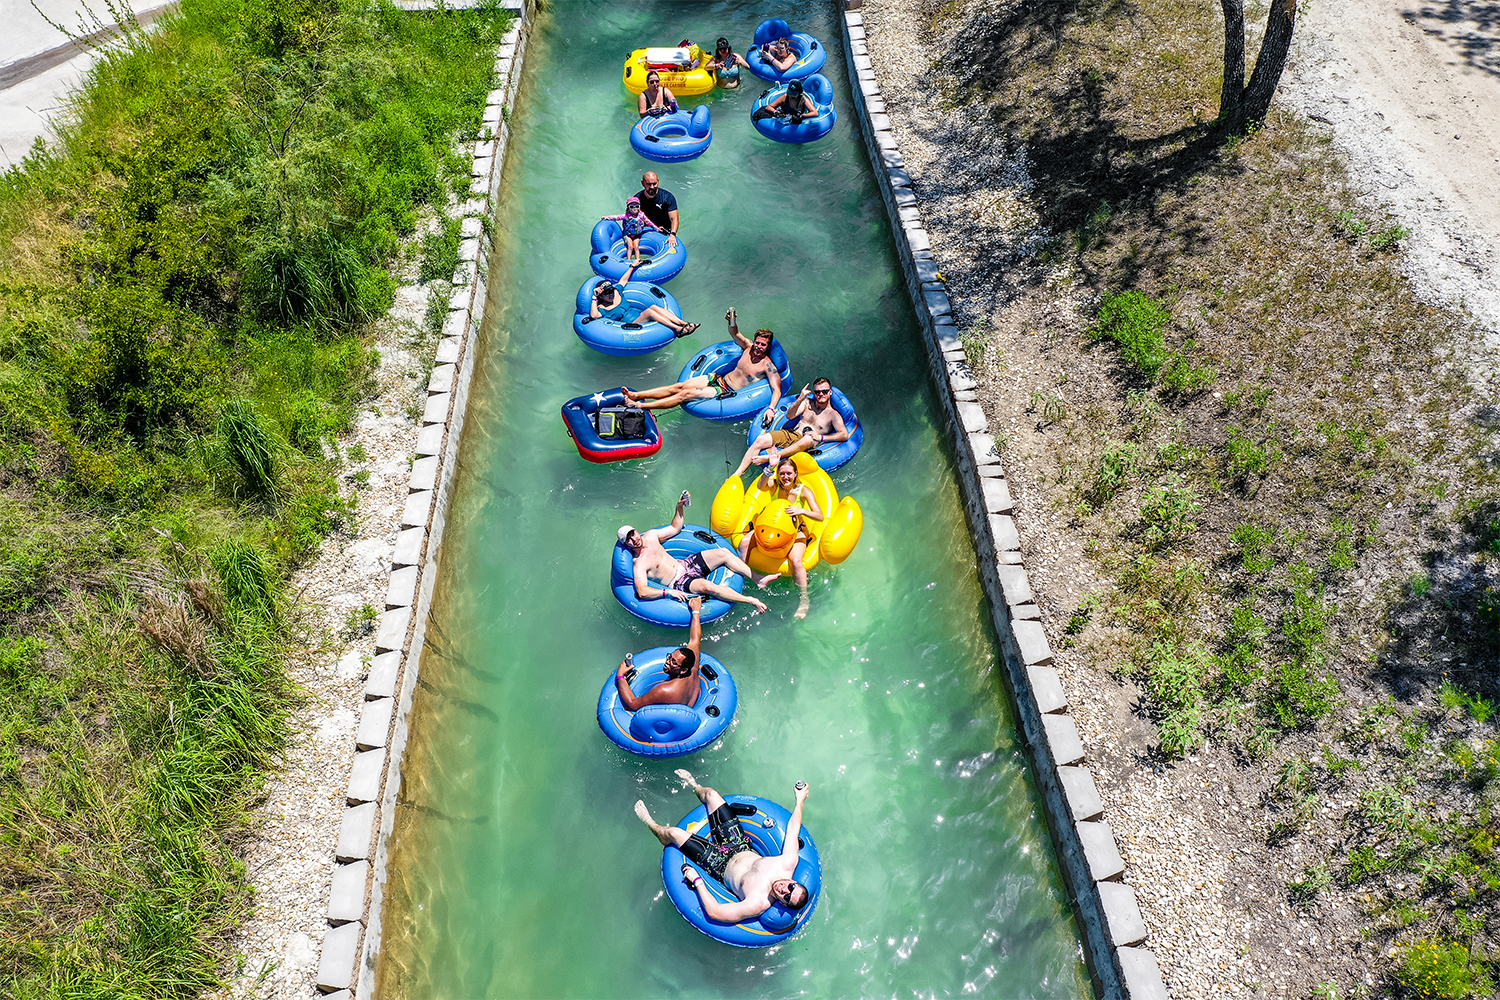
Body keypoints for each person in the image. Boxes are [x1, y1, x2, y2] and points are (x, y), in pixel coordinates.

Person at [635, 771, 811, 924]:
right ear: (793, 882)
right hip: (738, 844)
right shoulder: (787, 863)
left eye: (786, 897)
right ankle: (693, 784)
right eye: (791, 888)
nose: (784, 890)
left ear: (782, 904)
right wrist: (800, 800)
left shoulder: (757, 903)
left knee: (674, 833)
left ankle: (650, 823)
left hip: (718, 865)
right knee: (711, 794)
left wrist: (697, 881)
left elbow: (715, 913)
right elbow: (793, 830)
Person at [619, 490, 767, 614]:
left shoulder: (651, 535)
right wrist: (668, 592)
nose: (634, 539)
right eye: (629, 540)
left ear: (637, 531)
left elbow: (675, 528)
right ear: (626, 544)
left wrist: (679, 507)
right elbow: (642, 592)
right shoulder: (639, 563)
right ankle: (751, 599)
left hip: (685, 564)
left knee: (723, 552)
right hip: (678, 581)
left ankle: (757, 578)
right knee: (708, 587)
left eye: (633, 534)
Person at [624, 312, 783, 420]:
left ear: (767, 347)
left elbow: (777, 390)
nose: (759, 346)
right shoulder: (748, 347)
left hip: (725, 390)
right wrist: (731, 320)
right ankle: (636, 395)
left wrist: (771, 409)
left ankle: (640, 406)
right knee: (679, 386)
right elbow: (735, 333)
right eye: (758, 342)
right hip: (717, 378)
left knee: (684, 395)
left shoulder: (767, 366)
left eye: (763, 345)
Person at [738, 455, 823, 619]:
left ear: (795, 474)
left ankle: (804, 599)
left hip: (795, 530)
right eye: (782, 473)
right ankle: (740, 577)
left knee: (796, 561)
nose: (785, 477)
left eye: (789, 473)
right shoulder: (774, 485)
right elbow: (761, 485)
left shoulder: (803, 491)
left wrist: (801, 511)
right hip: (771, 527)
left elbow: (819, 515)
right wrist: (770, 468)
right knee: (744, 542)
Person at [732, 377, 850, 476]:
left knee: (808, 439)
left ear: (830, 392)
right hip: (792, 434)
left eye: (824, 391)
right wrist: (800, 399)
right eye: (818, 392)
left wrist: (820, 438)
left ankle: (770, 458)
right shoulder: (807, 403)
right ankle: (737, 474)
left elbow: (844, 435)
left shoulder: (833, 415)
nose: (821, 394)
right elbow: (790, 415)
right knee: (760, 440)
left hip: (808, 444)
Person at [616, 596, 704, 710]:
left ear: (683, 670)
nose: (667, 662)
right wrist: (696, 611)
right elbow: (695, 638)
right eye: (669, 657)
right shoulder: (693, 666)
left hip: (670, 720)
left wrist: (621, 677)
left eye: (673, 662)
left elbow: (632, 704)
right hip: (687, 706)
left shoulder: (664, 690)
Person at [589, 263, 698, 336]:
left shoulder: (617, 292)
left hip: (639, 316)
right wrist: (594, 296)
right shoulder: (602, 309)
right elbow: (594, 316)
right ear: (601, 296)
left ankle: (683, 323)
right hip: (631, 325)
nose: (611, 294)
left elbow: (623, 280)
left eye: (611, 291)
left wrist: (632, 266)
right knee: (649, 312)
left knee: (654, 307)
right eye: (607, 293)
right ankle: (677, 329)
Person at [600, 196, 658, 263]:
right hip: (628, 234)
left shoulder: (641, 215)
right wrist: (607, 217)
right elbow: (616, 217)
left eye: (636, 206)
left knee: (636, 247)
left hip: (637, 234)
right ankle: (629, 261)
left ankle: (638, 261)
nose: (634, 209)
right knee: (630, 247)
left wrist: (657, 229)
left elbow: (649, 222)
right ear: (628, 208)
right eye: (632, 207)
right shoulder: (626, 216)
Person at [635, 171, 679, 248]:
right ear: (643, 183)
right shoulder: (637, 200)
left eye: (654, 183)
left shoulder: (667, 197)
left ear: (658, 182)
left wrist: (672, 234)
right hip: (646, 229)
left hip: (664, 230)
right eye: (649, 184)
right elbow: (631, 219)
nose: (652, 187)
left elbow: (674, 219)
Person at [752, 79, 816, 124]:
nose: (791, 96)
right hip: (784, 115)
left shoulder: (804, 100)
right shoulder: (785, 97)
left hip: (796, 118)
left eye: (794, 95)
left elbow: (815, 112)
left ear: (800, 92)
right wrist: (776, 112)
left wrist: (802, 116)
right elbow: (769, 107)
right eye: (790, 94)